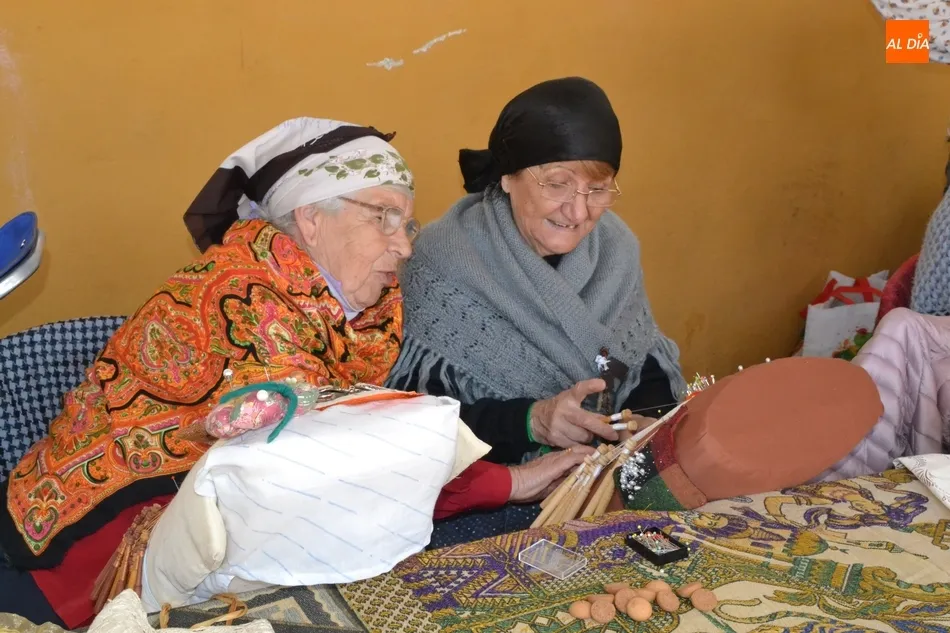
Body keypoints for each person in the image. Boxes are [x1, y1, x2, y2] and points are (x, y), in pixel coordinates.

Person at [0, 118, 590, 628]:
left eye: (406, 224)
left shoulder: (346, 307)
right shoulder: (244, 296)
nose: (405, 246)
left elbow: (392, 413)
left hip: (212, 539)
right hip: (87, 559)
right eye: (385, 217)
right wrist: (509, 483)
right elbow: (344, 465)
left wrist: (526, 425)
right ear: (310, 220)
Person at [386, 77, 687, 545]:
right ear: (507, 177)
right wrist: (532, 419)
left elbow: (635, 359)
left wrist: (651, 420)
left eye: (597, 188)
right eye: (558, 184)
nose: (578, 211)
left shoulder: (617, 249)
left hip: (598, 483)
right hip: (488, 497)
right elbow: (414, 418)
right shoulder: (443, 262)